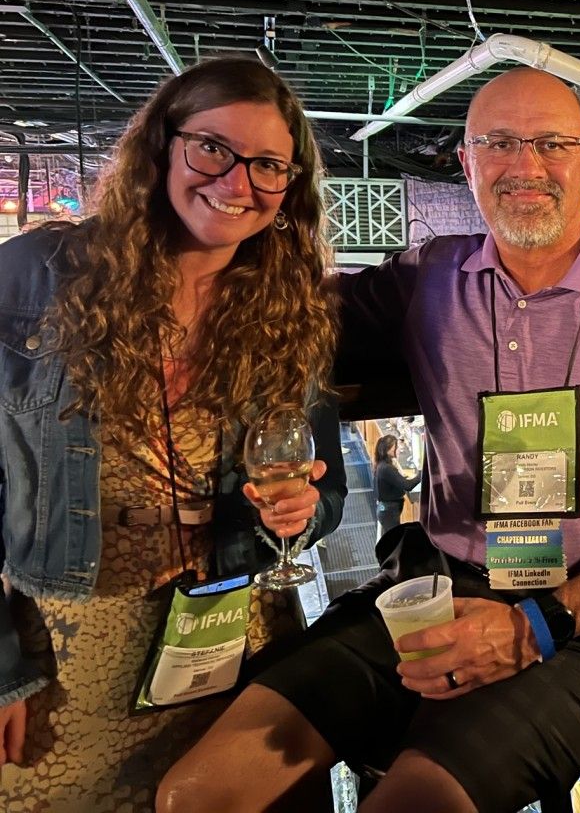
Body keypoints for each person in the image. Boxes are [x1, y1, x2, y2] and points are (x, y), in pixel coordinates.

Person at [161, 67, 580, 813]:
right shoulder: (430, 276)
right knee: (198, 793)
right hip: (432, 587)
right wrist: (165, 267)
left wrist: (541, 623)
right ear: (466, 164)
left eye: (551, 144)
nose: (526, 166)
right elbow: (285, 315)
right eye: (498, 144)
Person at [0, 57, 346, 810]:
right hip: (62, 649)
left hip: (238, 629)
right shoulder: (35, 276)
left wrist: (299, 515)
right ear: (162, 147)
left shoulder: (290, 307)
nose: (237, 182)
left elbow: (325, 488)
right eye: (213, 149)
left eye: (268, 166)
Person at [374, 434, 421, 539]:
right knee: (395, 541)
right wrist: (422, 474)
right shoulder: (386, 468)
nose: (399, 450)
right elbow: (407, 485)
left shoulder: (382, 465)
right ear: (389, 450)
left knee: (391, 540)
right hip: (389, 512)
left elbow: (396, 480)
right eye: (397, 447)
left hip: (386, 510)